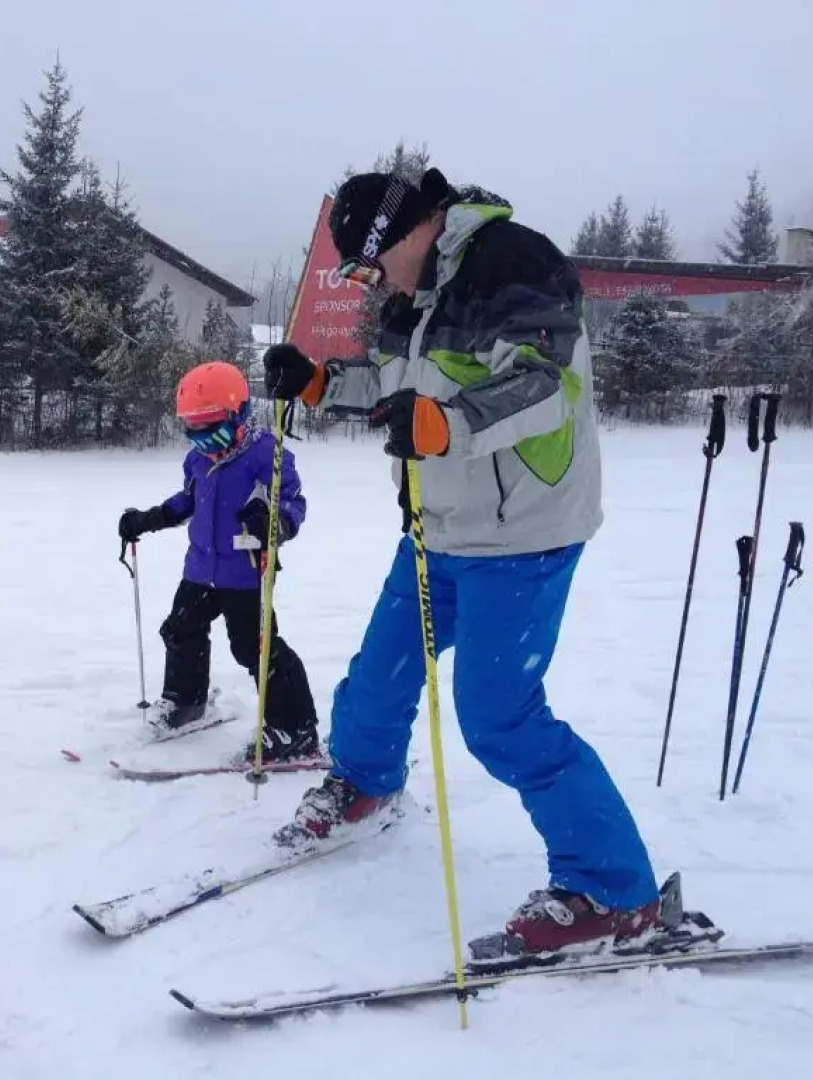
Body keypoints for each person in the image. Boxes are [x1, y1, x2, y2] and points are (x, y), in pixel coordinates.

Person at [262, 167, 661, 962]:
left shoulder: (513, 261)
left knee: (498, 714)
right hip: (438, 526)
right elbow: (394, 386)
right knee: (378, 674)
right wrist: (317, 385)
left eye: (370, 264)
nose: (371, 282)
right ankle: (365, 782)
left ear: (414, 228)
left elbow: (546, 385)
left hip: (523, 532)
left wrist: (446, 425)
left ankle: (614, 891)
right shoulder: (417, 293)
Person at [118, 361, 321, 765]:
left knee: (256, 649)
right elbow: (187, 501)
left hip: (245, 572)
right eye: (194, 432)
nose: (207, 442)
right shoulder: (197, 460)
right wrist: (148, 519)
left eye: (216, 431)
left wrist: (274, 524)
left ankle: (294, 728)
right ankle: (186, 701)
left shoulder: (267, 454)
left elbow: (292, 504)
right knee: (180, 629)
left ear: (241, 415)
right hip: (199, 568)